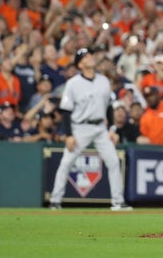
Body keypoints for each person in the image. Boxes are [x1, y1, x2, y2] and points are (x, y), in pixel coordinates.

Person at [48, 47, 132, 211]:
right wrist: (69, 135)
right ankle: (55, 200)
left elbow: (108, 107)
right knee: (66, 162)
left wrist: (112, 129)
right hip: (80, 128)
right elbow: (66, 111)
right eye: (85, 57)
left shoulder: (103, 81)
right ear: (80, 64)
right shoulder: (73, 84)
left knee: (114, 161)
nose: (90, 58)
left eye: (90, 55)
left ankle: (118, 201)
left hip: (100, 127)